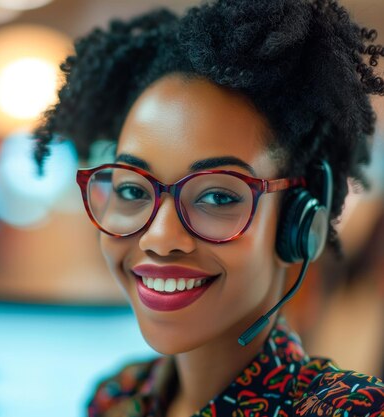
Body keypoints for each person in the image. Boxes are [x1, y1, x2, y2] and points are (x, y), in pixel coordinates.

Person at [34, 0, 384, 415]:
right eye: (132, 190)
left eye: (218, 196)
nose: (160, 239)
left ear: (298, 221)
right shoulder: (117, 397)